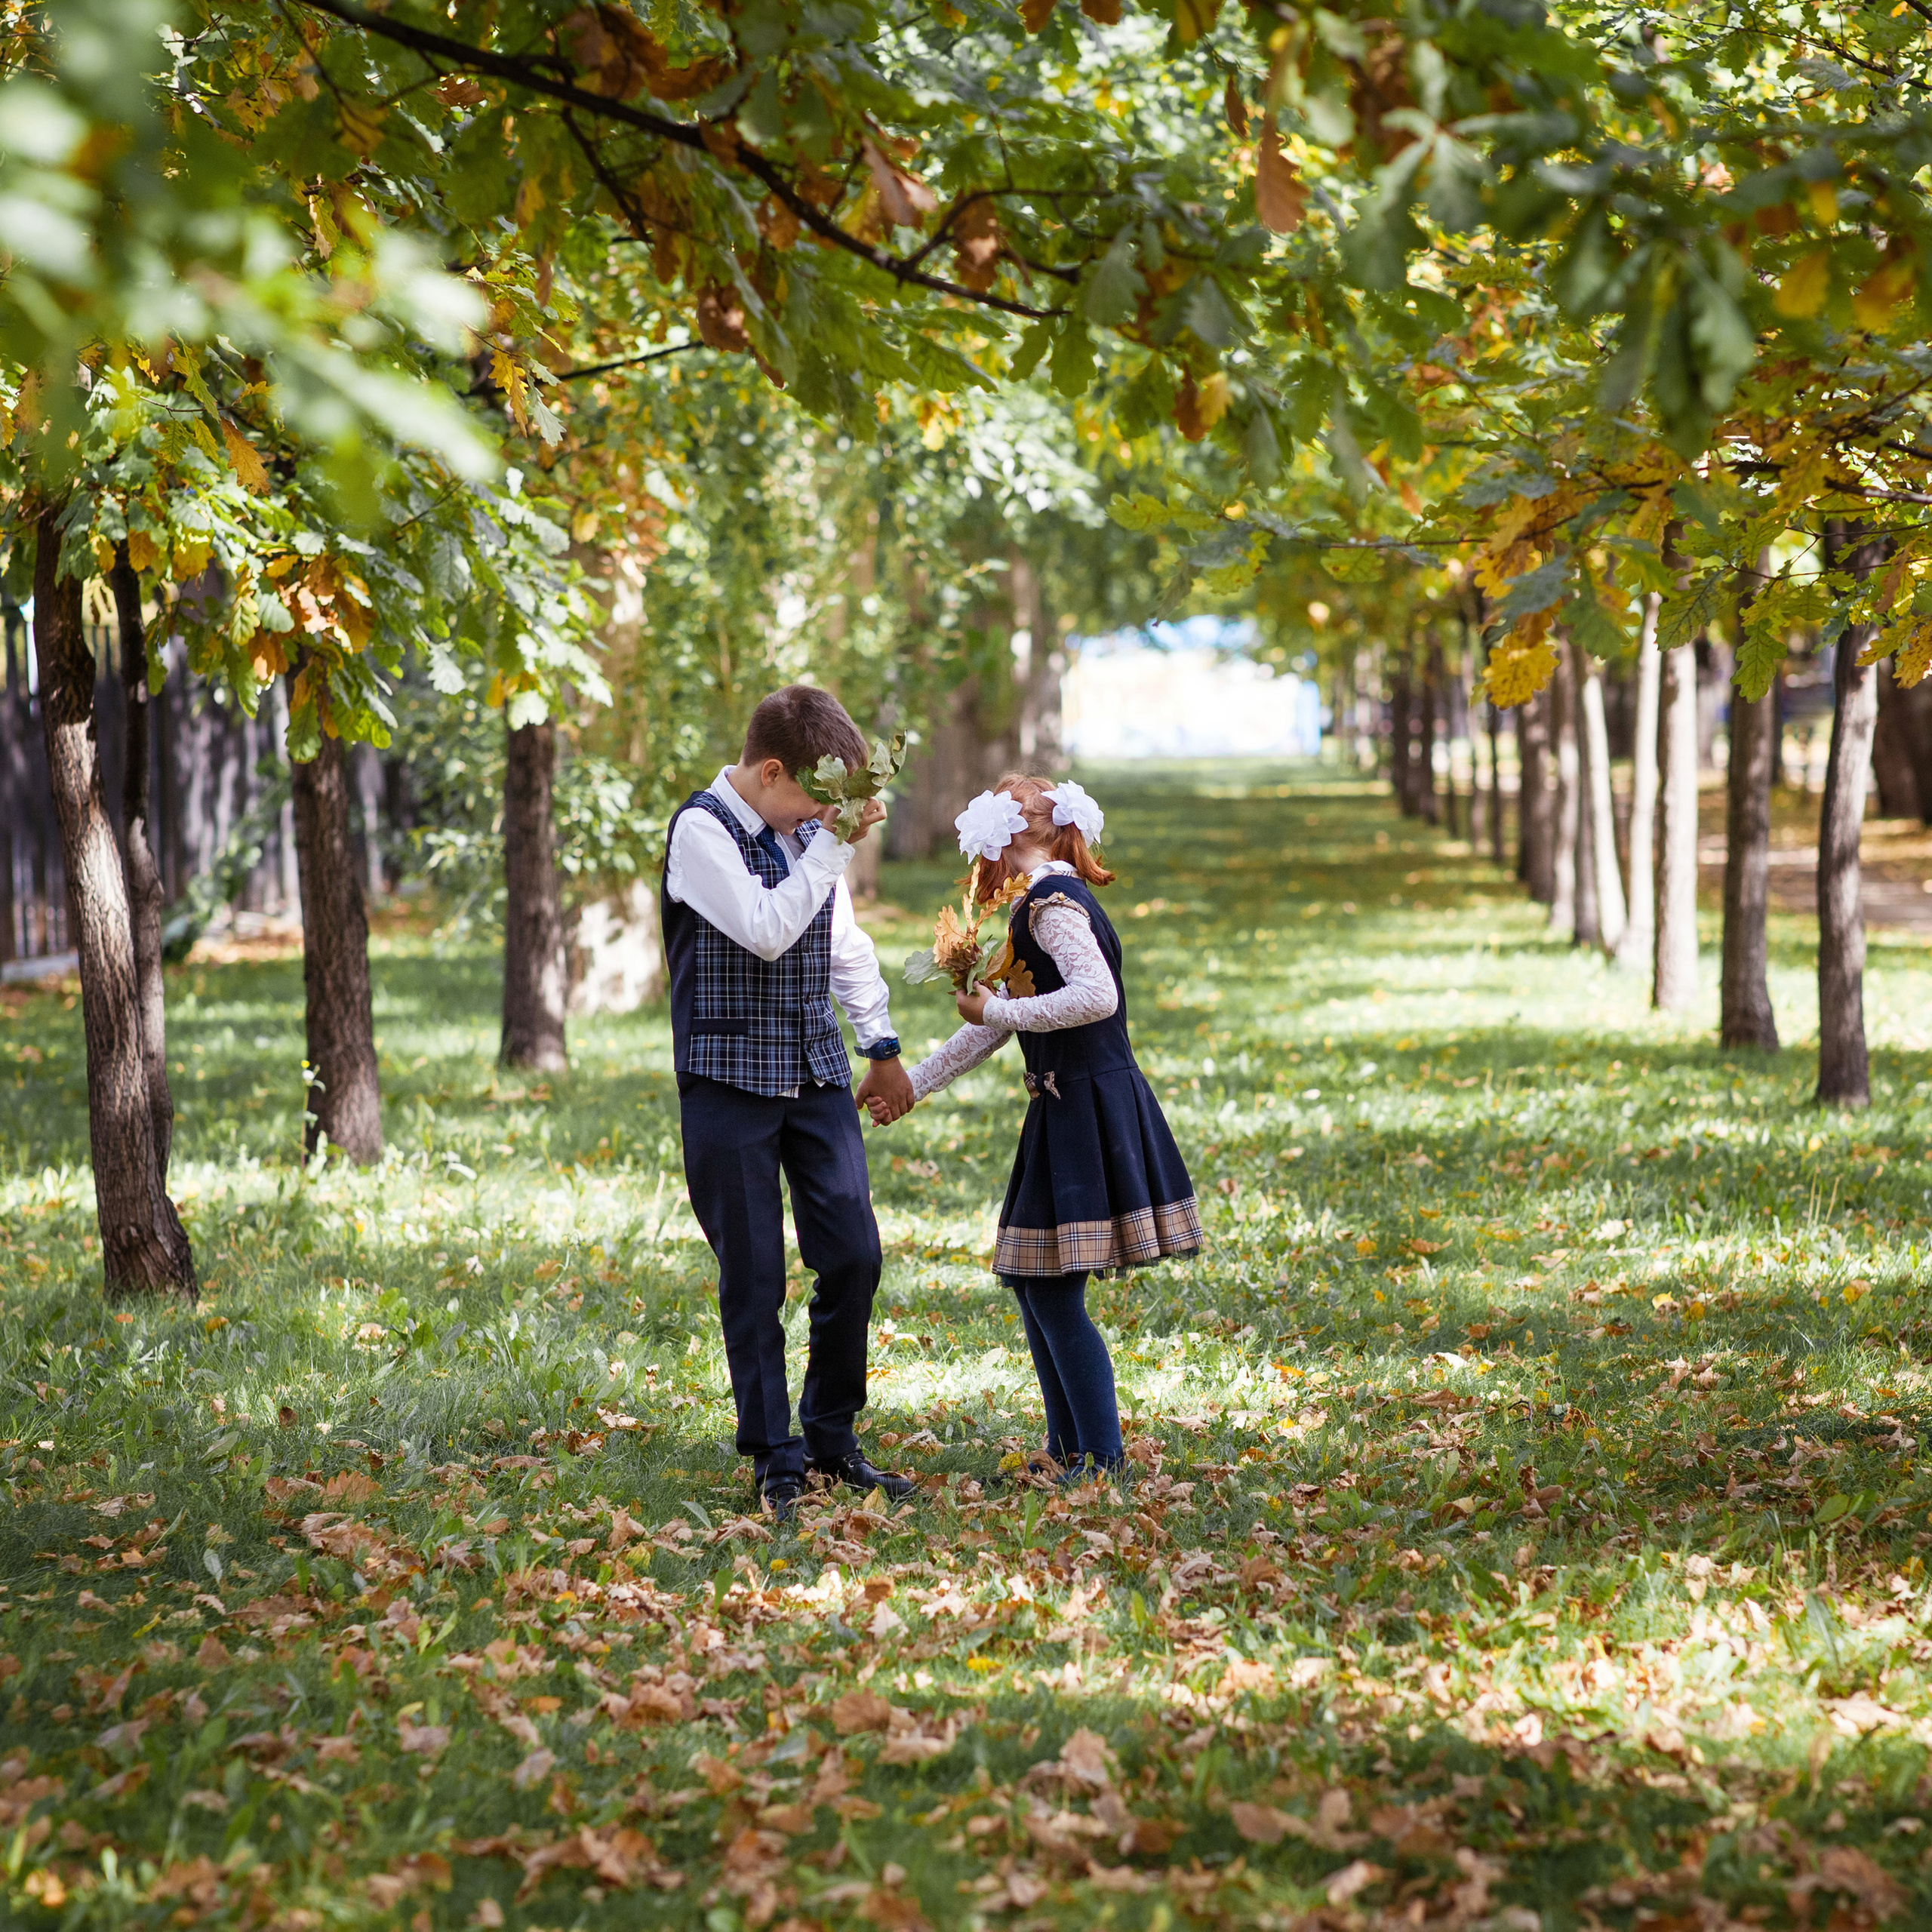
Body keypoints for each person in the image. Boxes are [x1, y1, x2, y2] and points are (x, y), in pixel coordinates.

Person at [872, 774, 1199, 1478]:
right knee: (1034, 1278)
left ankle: (1101, 1458)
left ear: (1005, 838)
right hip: (1062, 1105)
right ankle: (1067, 1448)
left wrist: (996, 1009)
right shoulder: (1037, 903)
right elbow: (994, 1029)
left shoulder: (1051, 905)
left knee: (1050, 1288)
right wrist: (912, 1086)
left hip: (1087, 1108)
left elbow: (1094, 996)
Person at [661, 686, 916, 1521]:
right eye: (815, 795)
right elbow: (767, 929)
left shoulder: (809, 834)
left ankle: (832, 1436)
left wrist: (880, 1045)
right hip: (727, 1079)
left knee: (854, 1255)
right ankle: (776, 1456)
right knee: (755, 1275)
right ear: (770, 771)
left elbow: (842, 944)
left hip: (813, 1073)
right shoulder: (701, 830)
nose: (822, 814)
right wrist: (833, 845)